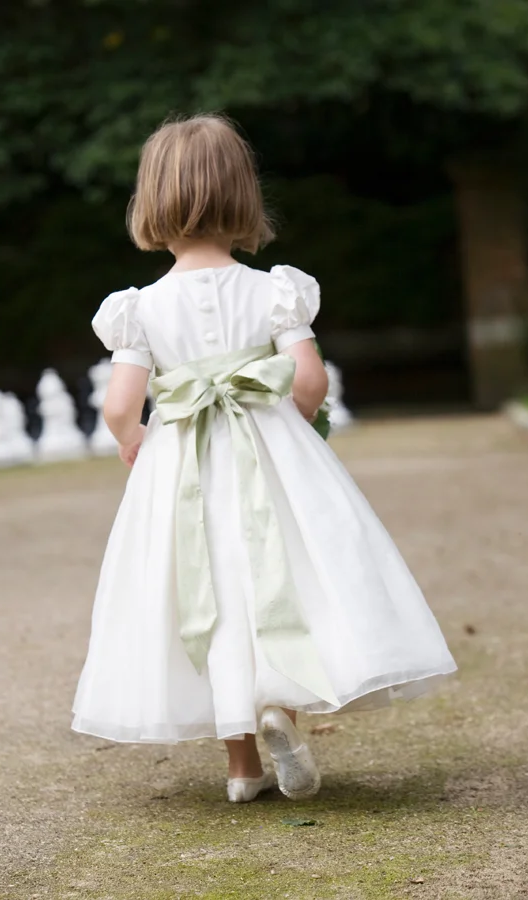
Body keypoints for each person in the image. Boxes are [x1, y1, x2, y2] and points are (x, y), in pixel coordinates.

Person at [72, 114, 456, 803]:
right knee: (287, 574)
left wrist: (135, 441)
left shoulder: (139, 308)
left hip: (184, 466)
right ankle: (282, 706)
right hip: (271, 457)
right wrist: (300, 421)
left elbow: (120, 403)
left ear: (150, 201)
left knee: (207, 589)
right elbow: (310, 381)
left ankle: (242, 767)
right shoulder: (275, 289)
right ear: (244, 197)